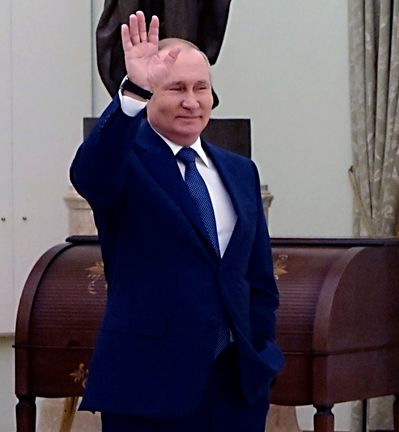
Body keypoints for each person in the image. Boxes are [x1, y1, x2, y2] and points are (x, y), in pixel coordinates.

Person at [70, 11, 284, 431]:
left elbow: (258, 280)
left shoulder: (240, 171)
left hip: (234, 391)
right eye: (176, 89)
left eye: (201, 88)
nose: (192, 101)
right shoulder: (128, 162)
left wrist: (262, 355)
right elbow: (89, 175)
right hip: (148, 390)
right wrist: (131, 91)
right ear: (152, 95)